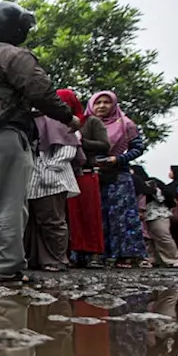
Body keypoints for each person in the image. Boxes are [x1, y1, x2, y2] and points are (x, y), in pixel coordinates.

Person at [0, 1, 79, 282]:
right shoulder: (14, 55)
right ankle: (8, 266)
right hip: (4, 135)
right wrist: (68, 118)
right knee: (12, 199)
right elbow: (41, 92)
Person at [86, 91, 148, 267]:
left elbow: (137, 148)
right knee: (95, 215)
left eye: (106, 102)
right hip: (92, 174)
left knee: (120, 215)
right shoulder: (84, 124)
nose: (102, 106)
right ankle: (95, 255)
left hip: (118, 175)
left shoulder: (126, 124)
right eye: (97, 103)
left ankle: (125, 255)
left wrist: (117, 159)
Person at [24, 101, 81, 271]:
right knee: (31, 222)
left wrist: (49, 168)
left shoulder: (56, 120)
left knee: (52, 221)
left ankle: (56, 259)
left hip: (53, 178)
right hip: (29, 178)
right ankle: (34, 259)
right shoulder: (24, 120)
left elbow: (68, 149)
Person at [65, 89, 107, 267]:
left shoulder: (90, 122)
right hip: (67, 174)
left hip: (86, 172)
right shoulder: (58, 123)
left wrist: (81, 141)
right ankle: (76, 252)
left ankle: (94, 254)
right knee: (71, 216)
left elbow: (104, 145)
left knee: (91, 214)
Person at [133, 165, 178, 267]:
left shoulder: (151, 182)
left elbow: (163, 197)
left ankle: (173, 260)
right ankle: (152, 259)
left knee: (162, 235)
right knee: (146, 239)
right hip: (142, 214)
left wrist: (151, 189)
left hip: (157, 212)